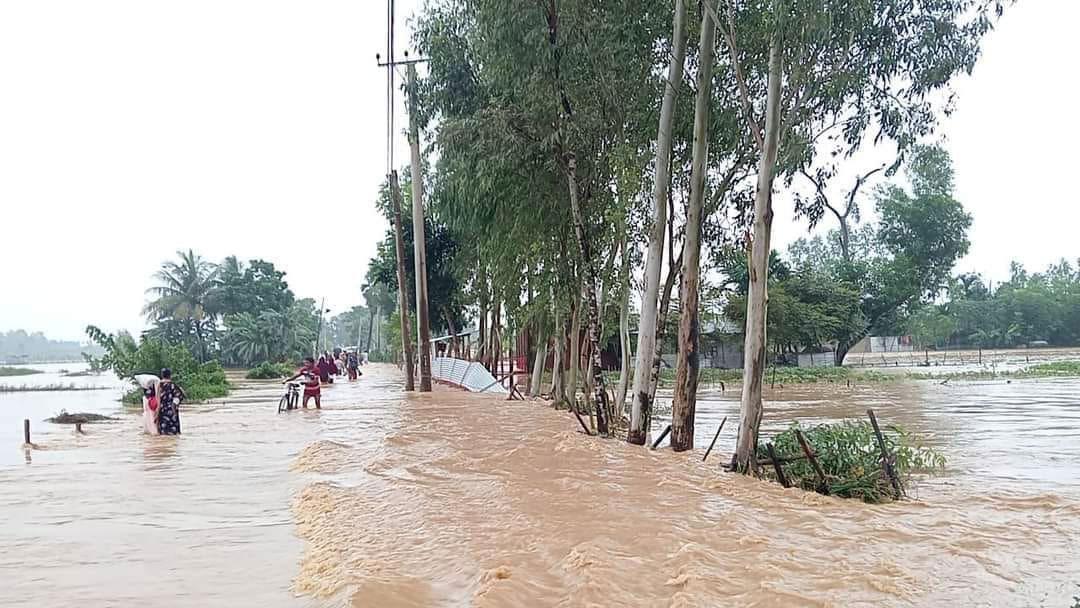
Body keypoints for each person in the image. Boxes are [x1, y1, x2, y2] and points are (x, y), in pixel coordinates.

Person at [154, 368, 185, 435]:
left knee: (163, 433)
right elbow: (181, 395)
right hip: (172, 410)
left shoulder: (160, 385)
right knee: (174, 434)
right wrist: (175, 404)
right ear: (170, 375)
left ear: (162, 375)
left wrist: (156, 414)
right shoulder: (174, 385)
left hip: (163, 411)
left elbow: (158, 401)